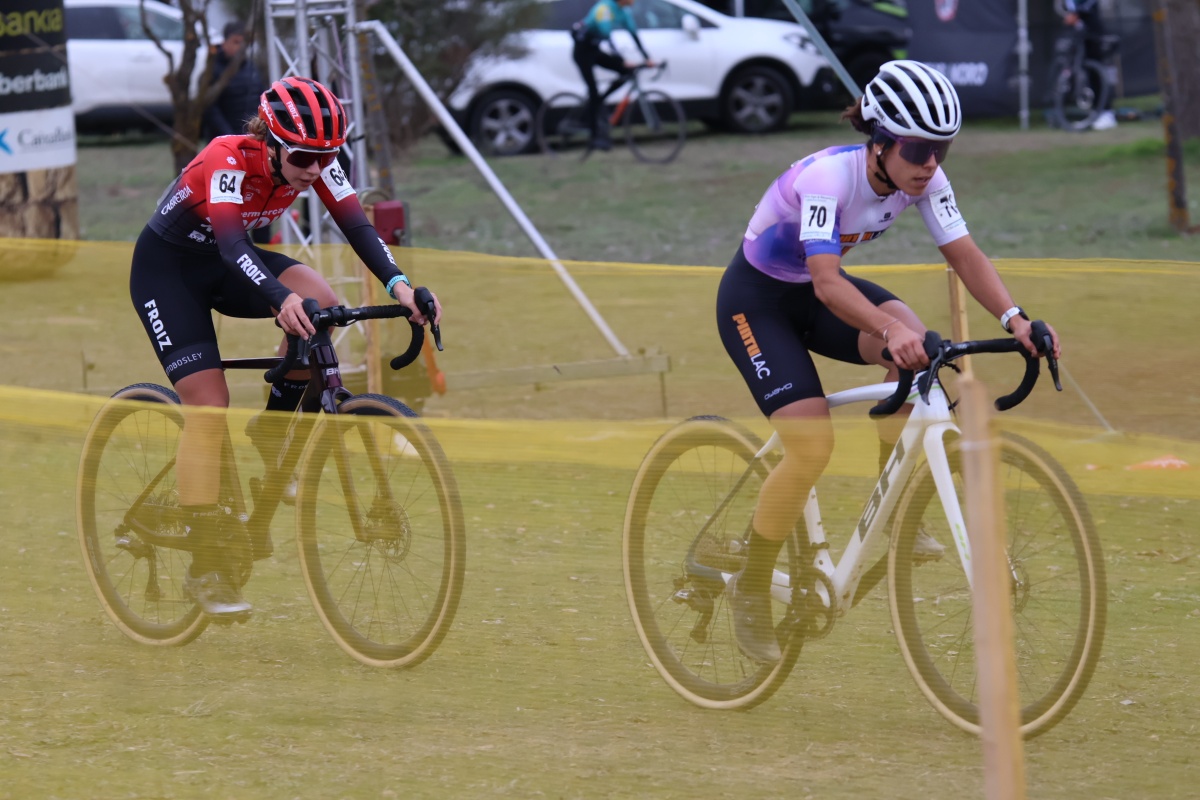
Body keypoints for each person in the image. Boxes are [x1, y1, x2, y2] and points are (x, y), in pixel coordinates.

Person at [714, 60, 1060, 664]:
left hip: (818, 292)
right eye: (919, 149)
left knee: (918, 353)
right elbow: (825, 282)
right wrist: (886, 328)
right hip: (758, 302)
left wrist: (1016, 320)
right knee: (812, 446)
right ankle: (750, 582)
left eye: (942, 150)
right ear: (880, 142)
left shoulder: (923, 180)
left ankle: (895, 507)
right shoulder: (828, 179)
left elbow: (965, 254)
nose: (931, 164)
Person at [130, 76, 441, 620]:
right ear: (272, 141)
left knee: (318, 298)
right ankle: (206, 565)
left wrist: (402, 288)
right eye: (303, 157)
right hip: (168, 272)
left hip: (229, 266)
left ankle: (271, 433)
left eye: (328, 156)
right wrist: (277, 296)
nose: (315, 169)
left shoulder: (313, 161)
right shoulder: (226, 158)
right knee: (208, 406)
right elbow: (229, 243)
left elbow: (358, 227)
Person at [203, 20, 272, 242]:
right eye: (235, 42)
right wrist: (228, 136)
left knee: (260, 196)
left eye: (243, 43)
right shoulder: (212, 69)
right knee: (232, 201)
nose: (239, 47)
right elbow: (210, 107)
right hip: (227, 146)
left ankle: (263, 248)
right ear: (224, 42)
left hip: (255, 143)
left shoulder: (251, 67)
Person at [571, 0, 654, 151]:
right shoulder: (604, 8)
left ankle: (599, 101)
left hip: (594, 50)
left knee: (625, 72)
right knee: (593, 90)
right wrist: (623, 60)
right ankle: (594, 136)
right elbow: (607, 36)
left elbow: (634, 35)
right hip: (582, 52)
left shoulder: (624, 11)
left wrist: (647, 57)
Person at [1062, 0, 1117, 131]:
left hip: (1092, 32)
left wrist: (1077, 13)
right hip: (1079, 32)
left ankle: (1106, 112)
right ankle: (1095, 112)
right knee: (1086, 74)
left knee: (1096, 74)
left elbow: (1089, 4)